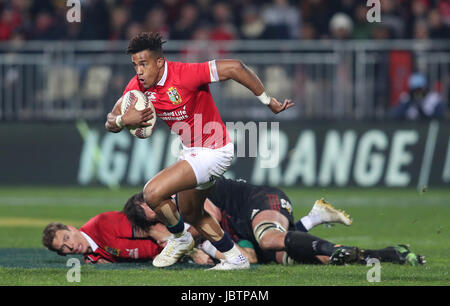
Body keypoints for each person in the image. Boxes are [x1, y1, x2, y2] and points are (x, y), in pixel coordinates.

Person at [104, 32, 294, 270]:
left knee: (152, 193)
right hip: (192, 151)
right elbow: (110, 121)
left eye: (144, 64)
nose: (139, 71)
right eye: (135, 66)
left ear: (159, 62)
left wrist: (269, 101)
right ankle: (236, 259)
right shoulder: (137, 87)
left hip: (215, 151)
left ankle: (181, 239)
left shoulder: (185, 74)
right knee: (192, 213)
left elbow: (235, 67)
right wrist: (122, 120)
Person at [126, 177, 425, 267]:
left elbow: (211, 216)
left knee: (270, 238)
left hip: (260, 201)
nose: (164, 220)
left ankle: (323, 232)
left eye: (154, 213)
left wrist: (187, 243)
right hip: (245, 231)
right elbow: (248, 258)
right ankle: (389, 255)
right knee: (302, 259)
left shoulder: (179, 192)